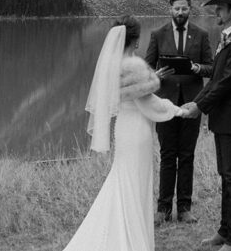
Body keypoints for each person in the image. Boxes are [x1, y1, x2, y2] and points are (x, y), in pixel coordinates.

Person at [61, 16, 183, 251]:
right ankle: (132, 239)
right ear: (136, 41)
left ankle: (119, 228)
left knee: (123, 177)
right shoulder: (133, 65)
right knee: (136, 182)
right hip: (138, 130)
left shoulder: (114, 64)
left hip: (123, 127)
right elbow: (148, 102)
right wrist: (176, 109)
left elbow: (132, 94)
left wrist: (153, 79)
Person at [177, 0, 231, 251]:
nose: (216, 12)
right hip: (223, 117)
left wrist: (199, 108)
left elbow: (225, 83)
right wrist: (197, 102)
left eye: (220, 8)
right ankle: (225, 231)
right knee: (226, 175)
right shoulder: (229, 39)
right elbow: (214, 80)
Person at [144, 0, 214, 225]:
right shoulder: (157, 35)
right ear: (170, 9)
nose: (180, 13)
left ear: (189, 9)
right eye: (177, 9)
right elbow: (145, 69)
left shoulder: (202, 35)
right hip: (164, 105)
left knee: (187, 156)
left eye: (184, 9)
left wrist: (196, 68)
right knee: (167, 156)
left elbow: (212, 68)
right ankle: (163, 209)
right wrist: (156, 75)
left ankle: (184, 208)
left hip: (192, 105)